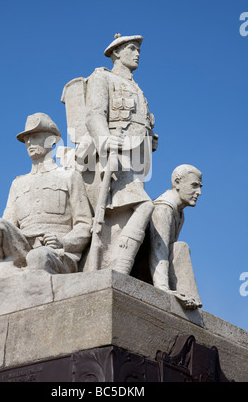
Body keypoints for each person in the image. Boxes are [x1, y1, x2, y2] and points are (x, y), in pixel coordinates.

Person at [0, 113, 92, 280]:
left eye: (35, 137)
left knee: (38, 257)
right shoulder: (18, 184)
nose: (29, 142)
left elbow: (84, 224)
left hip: (57, 254)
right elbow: (7, 225)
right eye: (26, 139)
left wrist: (63, 242)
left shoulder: (69, 177)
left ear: (51, 140)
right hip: (21, 250)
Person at [84, 33, 159, 274]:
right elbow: (94, 114)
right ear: (116, 53)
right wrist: (105, 138)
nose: (137, 53)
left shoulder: (137, 88)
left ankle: (118, 264)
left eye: (138, 49)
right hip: (114, 155)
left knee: (127, 214)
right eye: (131, 48)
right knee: (143, 205)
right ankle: (119, 266)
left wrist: (150, 139)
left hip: (138, 159)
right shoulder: (102, 77)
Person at [148, 164, 203, 309]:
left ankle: (189, 296)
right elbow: (158, 251)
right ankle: (187, 296)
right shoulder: (163, 208)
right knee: (181, 247)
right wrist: (162, 288)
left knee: (179, 247)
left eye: (200, 187)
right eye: (194, 185)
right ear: (177, 183)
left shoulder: (180, 213)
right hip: (146, 268)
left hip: (157, 267)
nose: (199, 192)